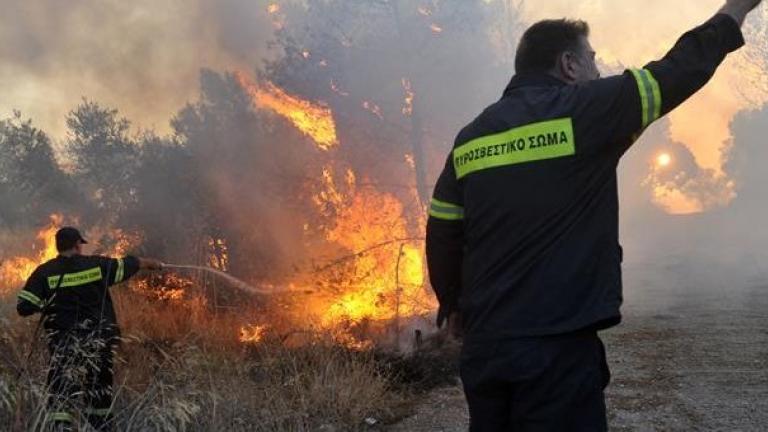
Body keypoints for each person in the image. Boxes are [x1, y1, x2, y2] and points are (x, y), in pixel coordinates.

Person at [425, 0, 764, 430]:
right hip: (556, 350)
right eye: (591, 59)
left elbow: (442, 231)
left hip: (486, 349)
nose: (598, 71)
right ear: (568, 64)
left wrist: (451, 302)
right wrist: (735, 10)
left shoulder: (470, 137)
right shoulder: (585, 112)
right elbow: (679, 70)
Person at [16, 226, 164, 431]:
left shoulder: (44, 272)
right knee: (100, 387)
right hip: (100, 341)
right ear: (78, 245)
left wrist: (47, 305)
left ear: (58, 246)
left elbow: (24, 307)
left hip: (64, 343)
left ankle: (61, 426)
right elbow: (129, 264)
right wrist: (152, 264)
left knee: (61, 388)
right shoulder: (97, 265)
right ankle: (100, 427)